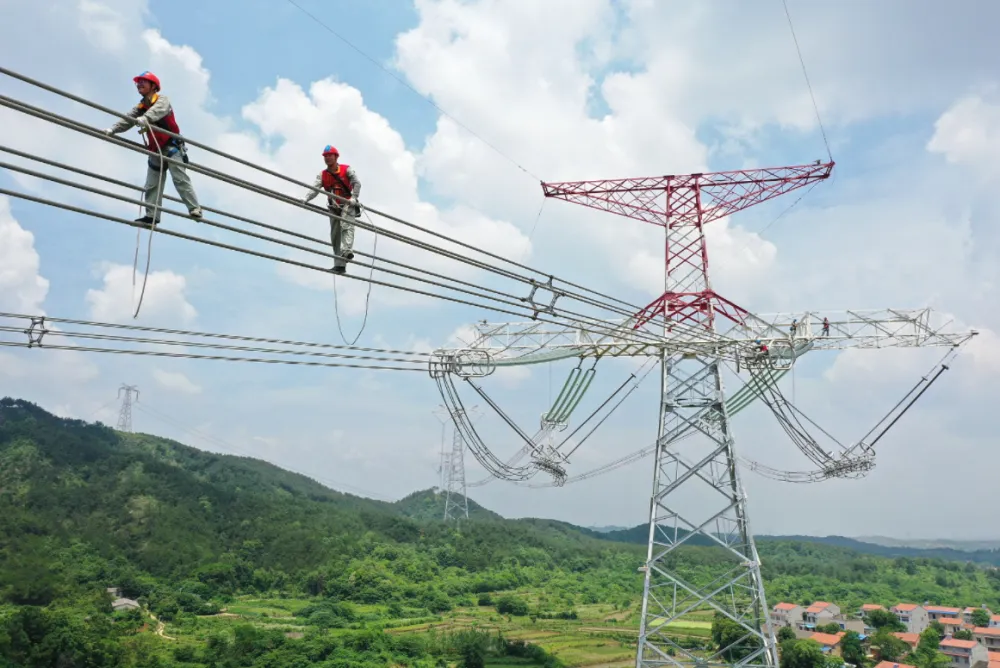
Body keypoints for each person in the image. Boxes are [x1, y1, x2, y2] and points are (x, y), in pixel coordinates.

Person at [104, 71, 202, 227]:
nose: (139, 85)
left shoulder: (162, 100)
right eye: (138, 83)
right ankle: (152, 217)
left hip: (172, 146)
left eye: (143, 82)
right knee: (151, 184)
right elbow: (128, 119)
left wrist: (145, 118)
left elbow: (158, 111)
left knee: (180, 179)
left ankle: (194, 208)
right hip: (156, 149)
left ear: (154, 86)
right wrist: (113, 129)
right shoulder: (141, 106)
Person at [303, 145, 361, 274]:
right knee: (335, 236)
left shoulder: (347, 170)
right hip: (334, 207)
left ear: (336, 157)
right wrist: (306, 199)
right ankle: (340, 265)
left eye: (330, 155)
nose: (327, 158)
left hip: (348, 204)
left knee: (347, 227)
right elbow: (315, 189)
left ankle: (347, 252)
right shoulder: (323, 175)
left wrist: (354, 197)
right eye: (325, 156)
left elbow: (356, 183)